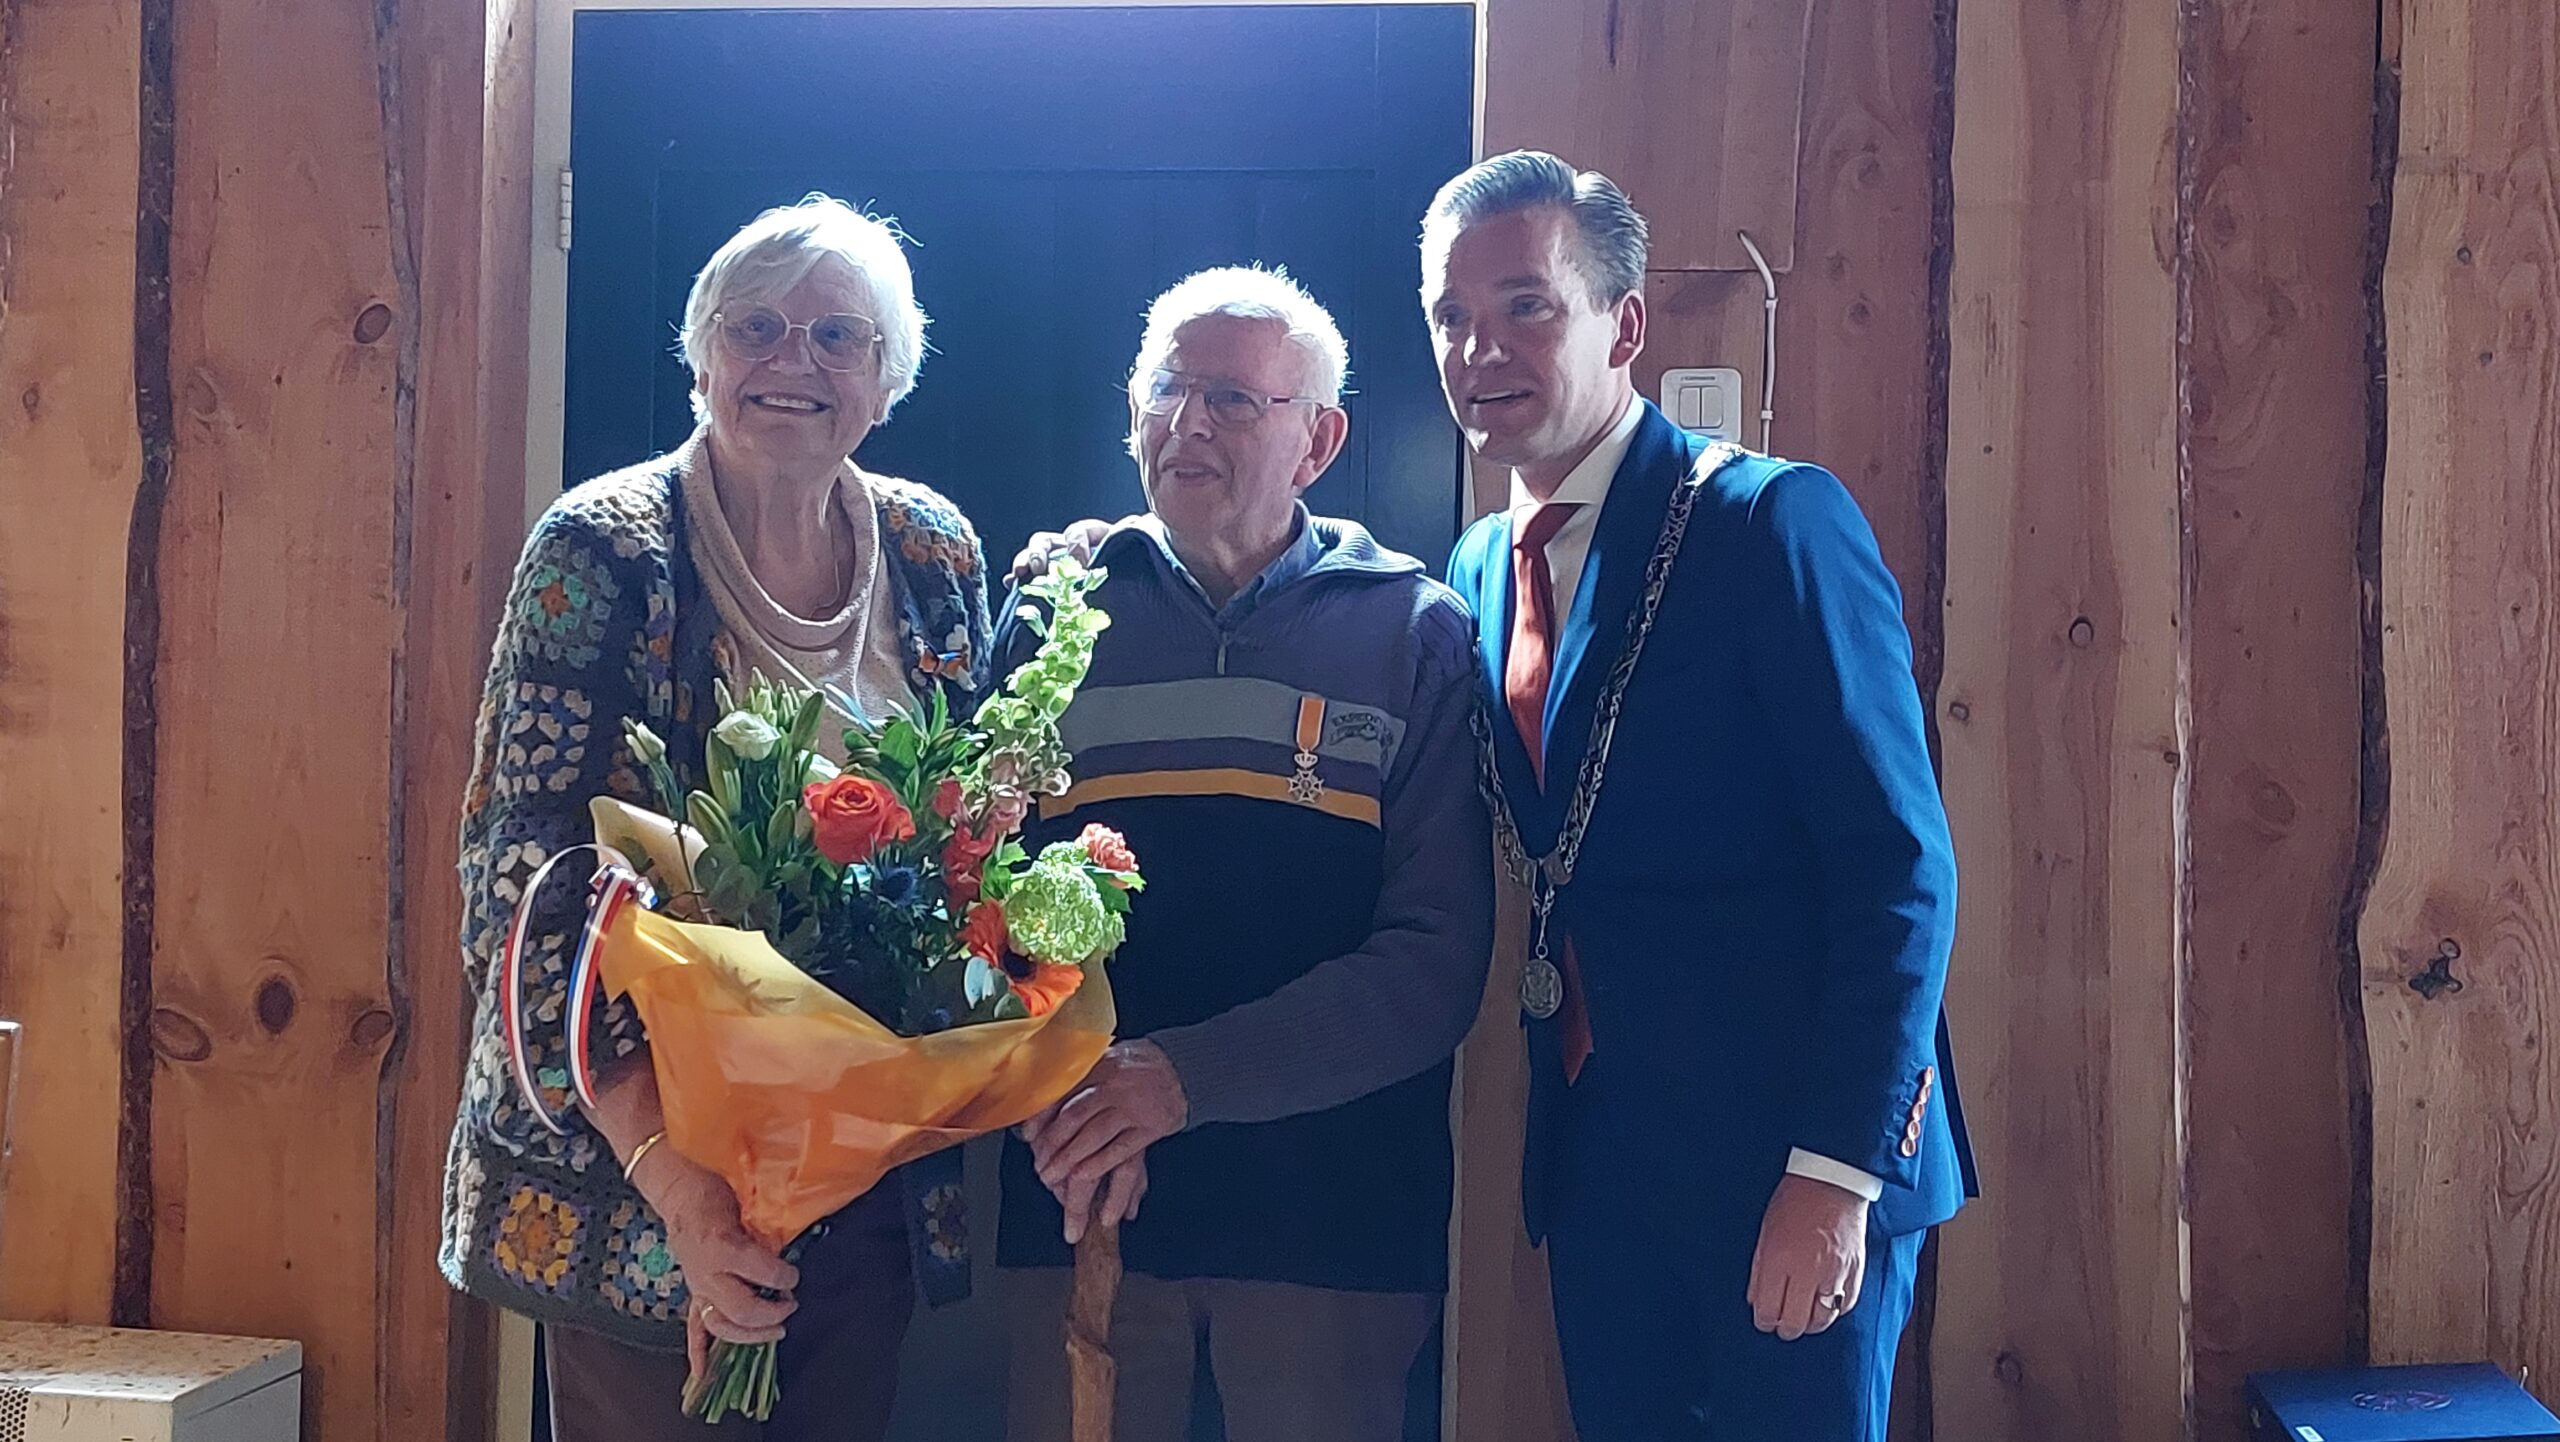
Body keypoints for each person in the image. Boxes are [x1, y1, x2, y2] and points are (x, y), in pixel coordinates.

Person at [1430, 151, 1974, 1440]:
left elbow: (1897, 866)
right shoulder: (1474, 561)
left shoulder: (1766, 521)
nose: (1478, 346)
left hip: (1787, 1156)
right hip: (1600, 1155)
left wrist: (1834, 1173)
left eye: (1523, 305)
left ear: (1623, 326)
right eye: (1450, 316)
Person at [439, 194, 992, 1442]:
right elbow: (527, 905)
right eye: (757, 325)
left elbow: (966, 845)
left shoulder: (934, 549)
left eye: (838, 336)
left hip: (866, 1184)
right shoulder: (600, 550)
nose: (794, 360)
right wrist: (688, 1195)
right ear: (701, 358)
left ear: (887, 377)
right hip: (641, 1180)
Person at [995, 267, 1493, 1442]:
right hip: (1083, 1210)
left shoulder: (1411, 630)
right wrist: (1056, 1095)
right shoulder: (1048, 617)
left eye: (1230, 396)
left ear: (1317, 440)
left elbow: (1434, 961)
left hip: (1326, 1232)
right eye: (1165, 388)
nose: (1188, 421)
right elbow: (975, 912)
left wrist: (1181, 1079)